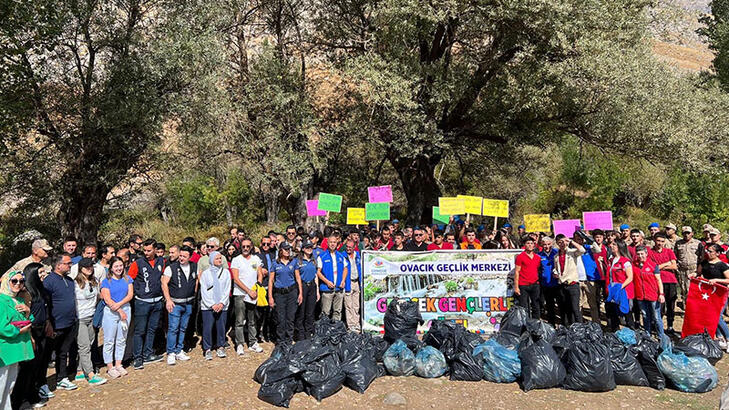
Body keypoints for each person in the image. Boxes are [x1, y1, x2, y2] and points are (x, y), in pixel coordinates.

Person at [16, 264, 53, 406]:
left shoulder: (41, 290)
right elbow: (22, 317)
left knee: (38, 364)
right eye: (41, 272)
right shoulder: (26, 292)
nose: (44, 274)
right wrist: (30, 336)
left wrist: (48, 322)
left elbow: (45, 308)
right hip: (31, 332)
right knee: (27, 367)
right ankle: (22, 399)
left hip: (42, 329)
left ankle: (33, 393)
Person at [127, 239, 165, 369]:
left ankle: (148, 353)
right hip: (142, 302)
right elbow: (128, 280)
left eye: (149, 250)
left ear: (155, 250)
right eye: (145, 250)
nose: (147, 253)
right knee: (140, 331)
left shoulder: (161, 261)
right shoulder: (138, 263)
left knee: (152, 329)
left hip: (157, 301)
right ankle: (137, 357)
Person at [43, 253, 79, 391]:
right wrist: (48, 323)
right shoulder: (49, 281)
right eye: (68, 263)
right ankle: (42, 383)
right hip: (55, 325)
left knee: (63, 353)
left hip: (70, 323)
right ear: (58, 265)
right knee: (46, 357)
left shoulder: (70, 280)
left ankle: (61, 378)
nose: (71, 265)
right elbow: (46, 304)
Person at [0, 271, 34, 410]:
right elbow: (2, 327)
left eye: (21, 281)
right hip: (5, 348)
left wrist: (27, 311)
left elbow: (28, 321)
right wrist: (19, 331)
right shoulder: (1, 301)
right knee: (1, 385)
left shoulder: (18, 300)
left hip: (17, 347)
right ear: (6, 282)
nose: (18, 284)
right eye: (14, 281)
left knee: (10, 384)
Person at [161, 246, 197, 365]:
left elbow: (197, 280)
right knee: (173, 328)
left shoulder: (194, 267)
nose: (181, 258)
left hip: (188, 303)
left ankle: (179, 350)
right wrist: (168, 300)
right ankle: (171, 352)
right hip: (175, 303)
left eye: (184, 256)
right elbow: (164, 284)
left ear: (190, 257)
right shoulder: (171, 268)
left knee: (183, 328)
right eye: (180, 255)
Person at [73, 258, 106, 385]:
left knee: (90, 344)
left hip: (92, 316)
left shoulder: (94, 281)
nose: (89, 269)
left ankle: (80, 370)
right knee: (84, 346)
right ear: (80, 268)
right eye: (86, 267)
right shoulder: (75, 283)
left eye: (91, 267)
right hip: (80, 318)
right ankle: (90, 374)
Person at [100, 257, 133, 379]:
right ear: (111, 268)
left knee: (121, 338)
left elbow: (130, 294)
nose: (119, 268)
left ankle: (119, 363)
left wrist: (120, 306)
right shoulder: (106, 281)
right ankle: (110, 366)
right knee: (109, 339)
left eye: (120, 266)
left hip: (125, 309)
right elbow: (107, 299)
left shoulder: (127, 279)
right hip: (111, 311)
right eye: (116, 266)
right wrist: (118, 309)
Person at [230, 239, 264, 355]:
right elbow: (236, 278)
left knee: (252, 319)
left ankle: (253, 342)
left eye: (248, 246)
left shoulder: (256, 259)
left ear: (251, 247)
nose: (245, 248)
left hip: (253, 294)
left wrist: (257, 286)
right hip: (240, 294)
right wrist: (248, 290)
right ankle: (240, 343)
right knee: (239, 320)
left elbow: (260, 274)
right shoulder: (236, 260)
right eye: (243, 246)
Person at [695, 244, 729, 350]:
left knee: (718, 316)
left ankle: (728, 338)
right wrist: (693, 275)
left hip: (721, 294)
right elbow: (698, 273)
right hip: (708, 294)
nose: (708, 253)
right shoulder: (704, 263)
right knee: (711, 316)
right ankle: (719, 338)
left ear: (718, 253)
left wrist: (716, 280)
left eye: (711, 251)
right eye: (707, 251)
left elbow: (728, 279)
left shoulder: (722, 265)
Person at [268, 244, 302, 345]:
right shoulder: (275, 263)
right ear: (281, 250)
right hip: (279, 293)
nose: (287, 251)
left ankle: (288, 340)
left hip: (291, 292)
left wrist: (300, 293)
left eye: (289, 249)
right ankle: (280, 341)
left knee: (290, 318)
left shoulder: (293, 262)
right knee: (280, 318)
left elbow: (298, 278)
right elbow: (271, 280)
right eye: (285, 249)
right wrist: (270, 296)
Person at [200, 251, 231, 359]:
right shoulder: (206, 273)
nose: (219, 260)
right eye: (217, 258)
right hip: (208, 306)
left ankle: (220, 346)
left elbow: (227, 288)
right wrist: (212, 304)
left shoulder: (226, 272)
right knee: (207, 328)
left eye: (220, 258)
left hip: (222, 305)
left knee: (221, 327)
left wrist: (222, 302)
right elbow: (204, 290)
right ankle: (207, 348)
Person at [648, 233, 678, 336]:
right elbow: (652, 267)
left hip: (670, 281)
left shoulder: (669, 251)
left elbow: (674, 266)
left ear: (664, 242)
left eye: (662, 241)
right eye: (658, 241)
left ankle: (670, 326)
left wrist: (659, 267)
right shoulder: (650, 252)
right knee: (659, 306)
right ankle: (658, 327)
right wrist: (666, 264)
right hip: (657, 281)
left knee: (671, 305)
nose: (660, 243)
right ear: (654, 241)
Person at [553, 234, 585, 326]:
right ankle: (568, 326)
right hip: (562, 284)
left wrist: (571, 241)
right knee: (565, 308)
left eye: (564, 242)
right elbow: (556, 268)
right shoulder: (556, 256)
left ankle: (580, 328)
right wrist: (555, 273)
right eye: (560, 242)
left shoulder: (572, 252)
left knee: (575, 308)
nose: (562, 244)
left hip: (573, 284)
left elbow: (582, 250)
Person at [633, 246, 665, 339]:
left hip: (653, 295)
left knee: (656, 317)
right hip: (640, 296)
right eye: (638, 254)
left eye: (642, 254)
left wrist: (661, 294)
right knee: (645, 315)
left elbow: (659, 280)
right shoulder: (634, 265)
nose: (640, 256)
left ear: (646, 254)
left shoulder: (653, 265)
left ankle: (661, 335)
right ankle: (647, 334)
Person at [317, 234, 348, 321]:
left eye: (334, 242)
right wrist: (327, 282)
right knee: (325, 312)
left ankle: (336, 330)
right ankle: (324, 330)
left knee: (337, 312)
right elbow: (318, 272)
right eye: (331, 242)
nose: (332, 244)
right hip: (327, 289)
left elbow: (345, 268)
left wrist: (343, 280)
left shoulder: (341, 256)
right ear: (327, 243)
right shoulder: (322, 256)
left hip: (339, 288)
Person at [606, 240, 635, 331]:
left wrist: (620, 287)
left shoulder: (625, 261)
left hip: (624, 291)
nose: (611, 246)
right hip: (612, 290)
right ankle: (616, 332)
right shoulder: (611, 260)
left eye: (614, 244)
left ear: (619, 247)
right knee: (613, 312)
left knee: (626, 311)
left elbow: (630, 277)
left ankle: (632, 331)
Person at [295, 241, 318, 340]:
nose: (309, 249)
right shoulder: (299, 261)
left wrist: (317, 291)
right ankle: (300, 334)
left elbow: (316, 275)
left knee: (310, 312)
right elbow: (297, 277)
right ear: (303, 249)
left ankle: (308, 333)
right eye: (307, 247)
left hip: (312, 286)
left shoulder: (313, 260)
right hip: (303, 286)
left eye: (311, 247)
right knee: (301, 311)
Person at [514, 237, 541, 319]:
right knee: (524, 307)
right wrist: (516, 287)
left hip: (535, 284)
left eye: (531, 243)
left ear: (534, 245)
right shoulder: (520, 257)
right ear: (525, 245)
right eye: (528, 243)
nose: (530, 245)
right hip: (523, 285)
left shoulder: (537, 257)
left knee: (536, 306)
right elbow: (517, 271)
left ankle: (536, 324)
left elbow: (538, 270)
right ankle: (525, 325)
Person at [675, 226, 700, 306]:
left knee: (693, 290)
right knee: (683, 289)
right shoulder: (678, 243)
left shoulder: (698, 243)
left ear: (692, 233)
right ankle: (685, 307)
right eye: (684, 233)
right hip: (682, 270)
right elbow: (675, 255)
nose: (686, 235)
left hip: (693, 270)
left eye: (688, 233)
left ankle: (694, 307)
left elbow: (701, 257)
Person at [538, 237, 560, 325]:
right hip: (546, 284)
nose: (546, 246)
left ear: (551, 244)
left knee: (561, 305)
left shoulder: (557, 252)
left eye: (548, 244)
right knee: (549, 306)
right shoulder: (539, 255)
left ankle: (564, 325)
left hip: (557, 283)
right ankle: (552, 325)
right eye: (544, 245)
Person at [344, 240, 362, 332]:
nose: (348, 249)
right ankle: (350, 325)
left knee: (356, 305)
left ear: (354, 247)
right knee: (348, 305)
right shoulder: (343, 256)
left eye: (350, 247)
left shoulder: (358, 255)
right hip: (348, 282)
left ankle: (356, 323)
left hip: (357, 282)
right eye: (347, 246)